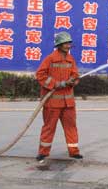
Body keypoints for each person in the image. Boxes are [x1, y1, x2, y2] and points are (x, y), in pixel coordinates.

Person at [35, 31, 83, 163]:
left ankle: (74, 152)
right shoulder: (50, 59)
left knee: (71, 126)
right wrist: (56, 84)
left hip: (68, 103)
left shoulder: (70, 59)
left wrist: (73, 79)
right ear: (59, 45)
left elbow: (75, 74)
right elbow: (40, 75)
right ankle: (43, 153)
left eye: (69, 43)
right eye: (66, 43)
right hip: (52, 102)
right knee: (49, 127)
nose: (68, 46)